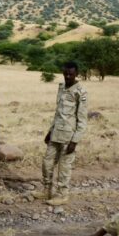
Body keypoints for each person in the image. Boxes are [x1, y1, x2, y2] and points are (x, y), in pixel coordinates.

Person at [34, 61, 87, 206]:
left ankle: (63, 195)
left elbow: (82, 120)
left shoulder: (80, 92)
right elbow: (58, 113)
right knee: (47, 163)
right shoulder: (61, 87)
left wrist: (74, 141)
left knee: (64, 167)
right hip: (56, 133)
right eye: (65, 74)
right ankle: (47, 190)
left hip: (68, 137)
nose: (68, 76)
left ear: (76, 74)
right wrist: (50, 131)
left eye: (71, 74)